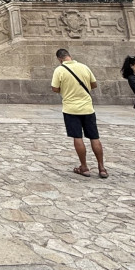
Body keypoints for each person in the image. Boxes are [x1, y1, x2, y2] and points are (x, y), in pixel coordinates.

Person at [51, 48, 108, 178]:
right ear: (69, 56)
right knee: (95, 137)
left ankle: (84, 167)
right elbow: (93, 84)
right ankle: (102, 167)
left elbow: (55, 88)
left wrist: (66, 89)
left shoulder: (59, 70)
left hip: (70, 108)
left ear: (60, 59)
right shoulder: (84, 67)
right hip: (87, 108)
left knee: (78, 137)